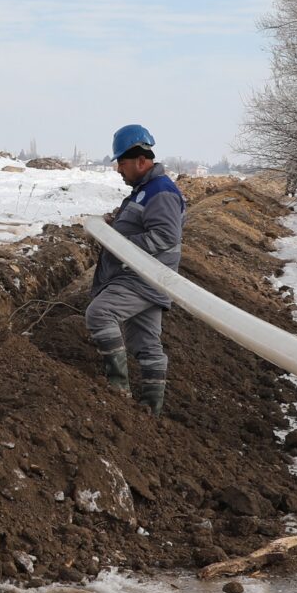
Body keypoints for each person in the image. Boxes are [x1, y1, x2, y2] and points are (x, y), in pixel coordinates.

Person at [84, 124, 186, 414]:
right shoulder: (145, 191)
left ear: (142, 161)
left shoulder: (160, 192)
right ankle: (150, 411)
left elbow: (166, 236)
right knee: (146, 344)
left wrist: (119, 243)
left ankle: (117, 389)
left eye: (122, 162)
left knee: (100, 313)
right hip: (146, 277)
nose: (118, 169)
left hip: (142, 277)